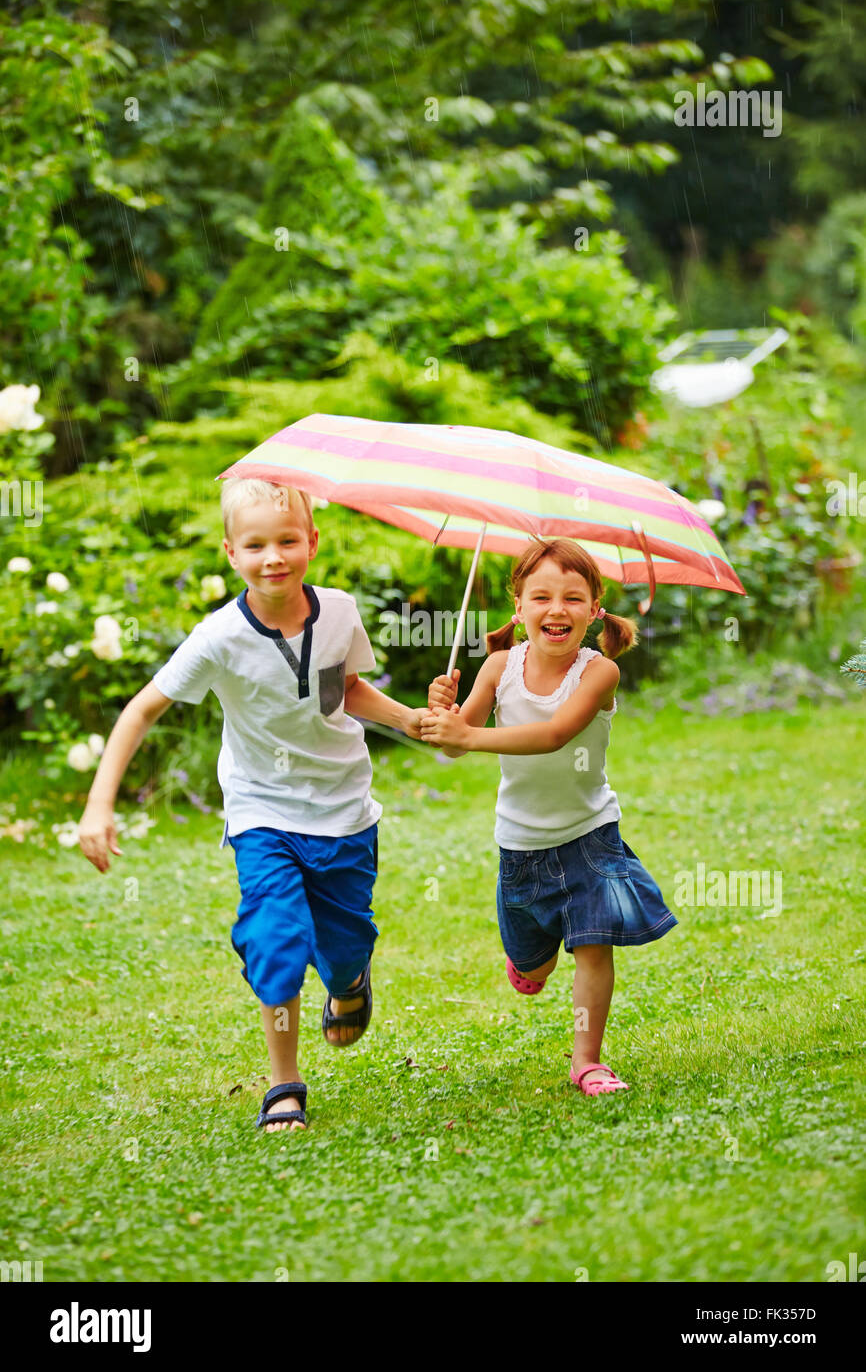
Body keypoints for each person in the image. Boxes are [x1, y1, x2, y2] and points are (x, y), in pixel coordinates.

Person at [78, 479, 425, 1133]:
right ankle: (284, 1085)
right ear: (230, 552)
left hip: (343, 809)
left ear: (313, 543)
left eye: (288, 540)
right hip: (262, 812)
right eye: (256, 544)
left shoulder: (342, 611)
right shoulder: (218, 637)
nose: (274, 557)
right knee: (275, 941)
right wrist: (100, 805)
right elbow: (141, 710)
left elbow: (340, 690)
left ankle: (349, 981)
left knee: (346, 947)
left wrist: (412, 721)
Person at [420, 538, 677, 1097]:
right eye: (541, 597)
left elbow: (555, 733)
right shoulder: (497, 667)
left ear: (594, 611)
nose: (556, 609)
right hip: (522, 847)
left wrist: (467, 734)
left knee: (594, 945)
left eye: (572, 598)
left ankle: (587, 1061)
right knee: (533, 965)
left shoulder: (598, 672)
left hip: (590, 837)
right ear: (519, 608)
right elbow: (454, 746)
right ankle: (530, 964)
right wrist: (443, 715)